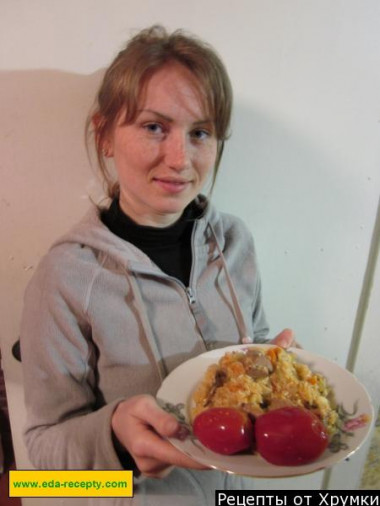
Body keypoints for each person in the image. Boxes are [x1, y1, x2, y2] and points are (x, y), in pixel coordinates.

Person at [20, 25, 295, 505]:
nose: (179, 158)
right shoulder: (64, 277)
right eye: (154, 127)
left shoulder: (236, 242)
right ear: (104, 134)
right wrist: (118, 447)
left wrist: (279, 372)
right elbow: (40, 467)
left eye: (200, 133)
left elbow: (258, 349)